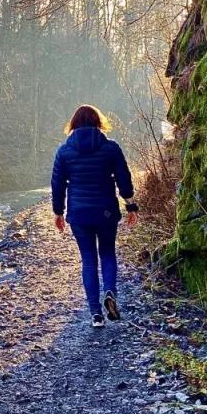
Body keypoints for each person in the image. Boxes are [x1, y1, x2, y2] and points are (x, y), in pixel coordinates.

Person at [50, 104, 138, 328]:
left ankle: (96, 315)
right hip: (106, 211)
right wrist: (130, 205)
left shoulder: (64, 151)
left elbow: (57, 185)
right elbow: (123, 179)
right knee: (107, 253)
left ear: (74, 124)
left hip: (79, 214)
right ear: (99, 122)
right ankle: (110, 291)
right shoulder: (110, 148)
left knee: (89, 260)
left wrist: (58, 212)